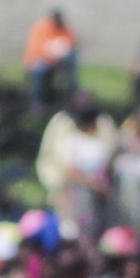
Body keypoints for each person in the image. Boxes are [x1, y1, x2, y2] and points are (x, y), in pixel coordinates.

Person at [37, 87, 118, 242]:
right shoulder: (61, 123)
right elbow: (57, 161)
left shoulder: (103, 122)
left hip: (100, 192)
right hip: (67, 190)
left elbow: (111, 152)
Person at [24, 6, 77, 109]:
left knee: (72, 62)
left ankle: (71, 97)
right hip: (41, 60)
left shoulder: (65, 29)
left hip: (59, 60)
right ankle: (37, 102)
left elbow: (72, 44)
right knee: (40, 70)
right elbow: (35, 50)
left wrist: (61, 53)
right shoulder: (41, 28)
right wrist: (51, 55)